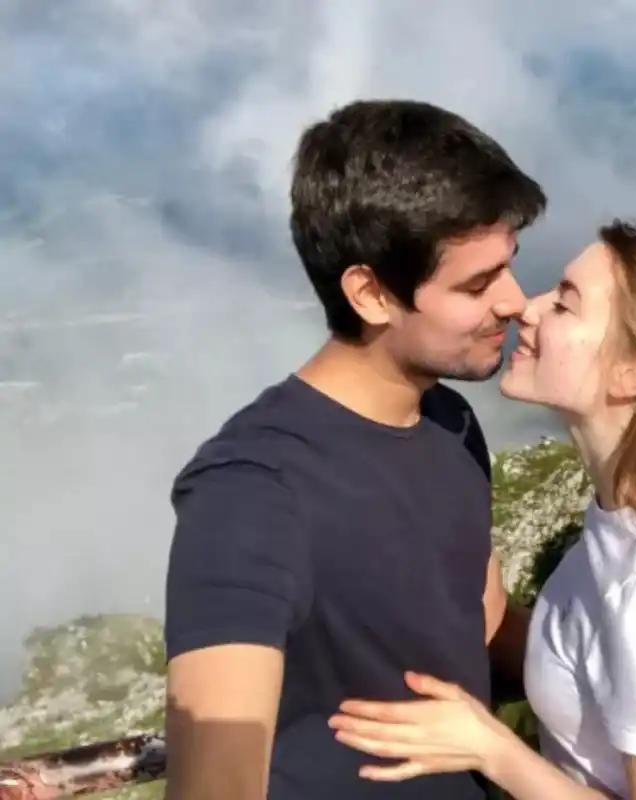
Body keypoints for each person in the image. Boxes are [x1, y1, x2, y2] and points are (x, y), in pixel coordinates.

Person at [327, 221, 636, 799]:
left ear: (634, 373)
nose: (526, 308)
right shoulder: (631, 524)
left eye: (565, 304)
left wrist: (490, 747)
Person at [162, 99, 547, 800]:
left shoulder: (450, 420)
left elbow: (480, 628)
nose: (517, 302)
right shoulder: (250, 491)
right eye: (477, 283)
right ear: (370, 294)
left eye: (508, 267)